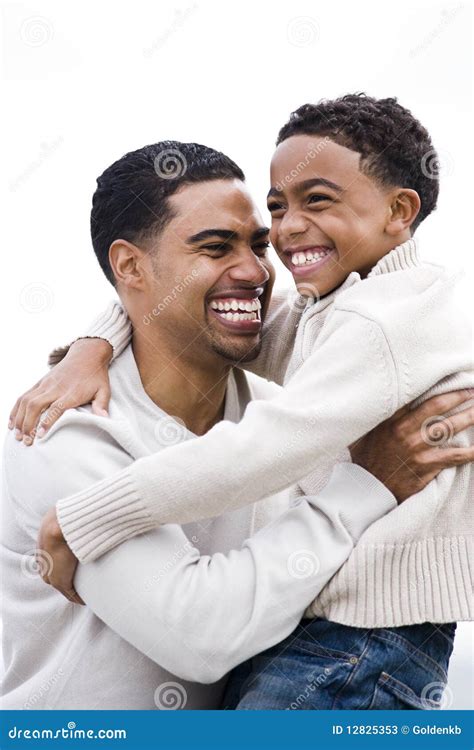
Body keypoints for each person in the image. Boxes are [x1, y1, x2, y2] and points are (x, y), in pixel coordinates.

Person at [9, 96, 474, 710]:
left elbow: (264, 440)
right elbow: (200, 636)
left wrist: (87, 519)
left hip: (370, 643)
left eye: (256, 243)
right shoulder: (68, 432)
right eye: (216, 246)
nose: (259, 267)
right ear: (130, 267)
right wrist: (97, 340)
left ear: (399, 211)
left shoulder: (356, 337)